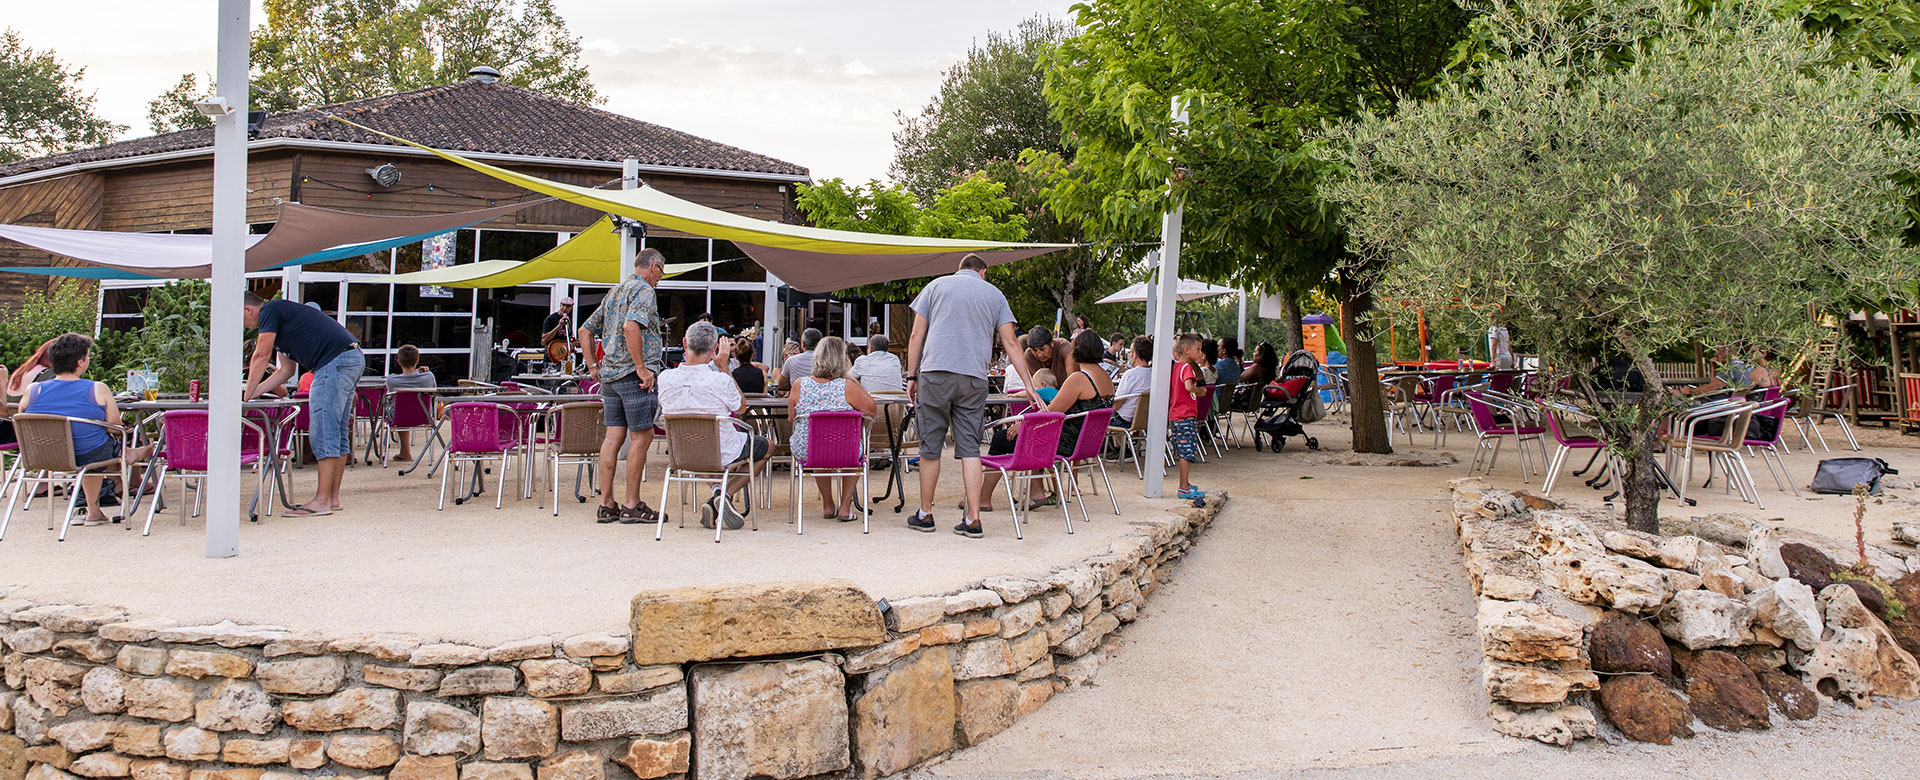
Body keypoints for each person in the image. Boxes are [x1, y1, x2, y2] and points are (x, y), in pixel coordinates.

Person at [905, 254, 1039, 538]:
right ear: (984, 272)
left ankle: (926, 514)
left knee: (930, 446)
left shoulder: (935, 287)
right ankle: (973, 519)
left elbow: (916, 336)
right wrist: (1029, 384)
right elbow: (1011, 342)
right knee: (970, 449)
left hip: (935, 373)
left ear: (959, 270)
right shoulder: (994, 294)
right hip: (974, 378)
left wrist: (911, 376)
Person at [245, 292, 365, 517]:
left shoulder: (269, 311)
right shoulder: (282, 322)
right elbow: (286, 371)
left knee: (323, 430)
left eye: (243, 320)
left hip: (333, 362)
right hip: (348, 358)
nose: (248, 327)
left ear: (247, 310)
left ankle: (321, 501)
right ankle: (332, 498)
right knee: (336, 430)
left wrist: (247, 392)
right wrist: (251, 394)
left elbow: (261, 354)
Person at [20, 334, 153, 527]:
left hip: (44, 455)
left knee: (93, 449)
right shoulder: (97, 389)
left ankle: (94, 510)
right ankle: (126, 454)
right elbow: (115, 426)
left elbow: (24, 416)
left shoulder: (33, 390)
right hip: (88, 455)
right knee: (101, 447)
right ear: (80, 362)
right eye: (88, 356)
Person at [578, 248, 668, 525]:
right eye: (661, 273)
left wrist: (593, 366)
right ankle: (631, 503)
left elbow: (585, 330)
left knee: (612, 438)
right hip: (632, 375)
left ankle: (606, 504)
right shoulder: (643, 291)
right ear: (653, 266)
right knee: (641, 437)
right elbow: (632, 326)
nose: (659, 279)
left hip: (610, 376)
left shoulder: (615, 291)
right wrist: (642, 368)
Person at [659, 321, 769, 530]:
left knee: (698, 446)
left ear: (684, 343)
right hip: (720, 451)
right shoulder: (720, 380)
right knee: (766, 446)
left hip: (682, 452)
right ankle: (724, 494)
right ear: (713, 349)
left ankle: (718, 494)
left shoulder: (664, 378)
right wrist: (724, 368)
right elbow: (741, 407)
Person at [788, 336, 879, 521]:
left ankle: (828, 504)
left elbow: (791, 418)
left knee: (819, 444)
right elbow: (872, 409)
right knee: (853, 450)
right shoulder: (847, 386)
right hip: (845, 450)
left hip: (809, 450)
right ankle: (845, 506)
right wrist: (851, 379)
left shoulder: (799, 385)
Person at [1169, 333, 1207, 501]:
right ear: (1186, 350)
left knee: (1184, 449)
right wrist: (1201, 391)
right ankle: (1183, 487)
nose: (1200, 353)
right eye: (1198, 349)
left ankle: (1186, 484)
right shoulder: (1187, 368)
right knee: (1187, 451)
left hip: (1176, 415)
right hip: (1185, 415)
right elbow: (1189, 386)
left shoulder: (1176, 367)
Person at [384, 345, 436, 462]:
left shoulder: (392, 380)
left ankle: (405, 452)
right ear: (417, 360)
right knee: (408, 408)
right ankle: (405, 452)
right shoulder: (428, 377)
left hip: (399, 417)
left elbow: (404, 378)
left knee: (401, 409)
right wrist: (418, 372)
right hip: (424, 416)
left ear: (398, 361)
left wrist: (415, 372)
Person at [1112, 336, 1154, 428]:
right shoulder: (1154, 374)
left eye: (1130, 352)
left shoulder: (1130, 374)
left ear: (1135, 354)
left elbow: (1116, 405)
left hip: (1124, 420)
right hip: (1143, 420)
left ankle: (1117, 443)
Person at [778, 328, 824, 394]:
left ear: (803, 344)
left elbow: (782, 386)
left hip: (798, 399)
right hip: (822, 400)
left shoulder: (791, 361)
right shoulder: (827, 361)